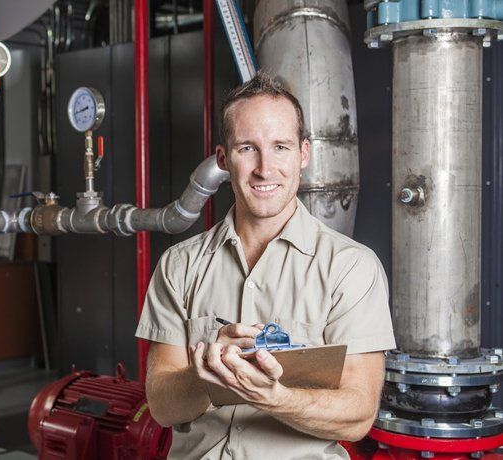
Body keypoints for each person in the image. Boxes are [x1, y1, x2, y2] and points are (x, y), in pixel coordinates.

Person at [135, 71, 395, 459]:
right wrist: (204, 376)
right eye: (247, 148)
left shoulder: (352, 269)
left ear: (304, 154)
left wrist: (276, 397)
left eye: (280, 147)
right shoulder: (178, 266)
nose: (265, 168)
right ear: (223, 158)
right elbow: (162, 405)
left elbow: (357, 416)